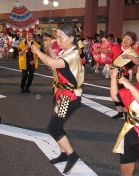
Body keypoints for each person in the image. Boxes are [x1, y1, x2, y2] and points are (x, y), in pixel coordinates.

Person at [31, 23, 84, 174]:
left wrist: (37, 50)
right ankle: (63, 153)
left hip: (69, 96)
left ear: (71, 38)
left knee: (53, 127)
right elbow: (55, 59)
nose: (58, 41)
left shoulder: (73, 54)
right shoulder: (68, 52)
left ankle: (71, 155)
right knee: (57, 125)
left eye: (61, 38)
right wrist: (47, 47)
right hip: (62, 94)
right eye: (57, 37)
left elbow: (51, 62)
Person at [93, 31, 139, 119]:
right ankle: (119, 111)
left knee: (122, 94)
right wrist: (99, 49)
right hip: (114, 74)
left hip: (123, 75)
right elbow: (108, 50)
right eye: (125, 38)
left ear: (132, 41)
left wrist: (130, 57)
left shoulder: (132, 52)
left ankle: (126, 112)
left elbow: (137, 62)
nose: (125, 40)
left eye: (128, 39)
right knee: (114, 93)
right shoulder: (116, 47)